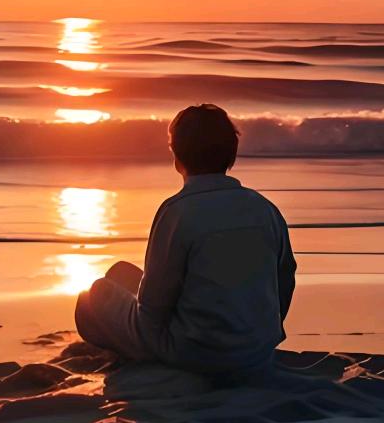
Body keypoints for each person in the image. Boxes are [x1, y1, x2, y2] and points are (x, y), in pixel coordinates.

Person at [75, 103, 296, 380]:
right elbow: (285, 278)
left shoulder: (177, 211)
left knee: (92, 296)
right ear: (232, 153)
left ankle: (136, 355)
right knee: (120, 272)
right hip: (257, 351)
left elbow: (153, 306)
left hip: (194, 353)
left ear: (177, 156)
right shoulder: (264, 208)